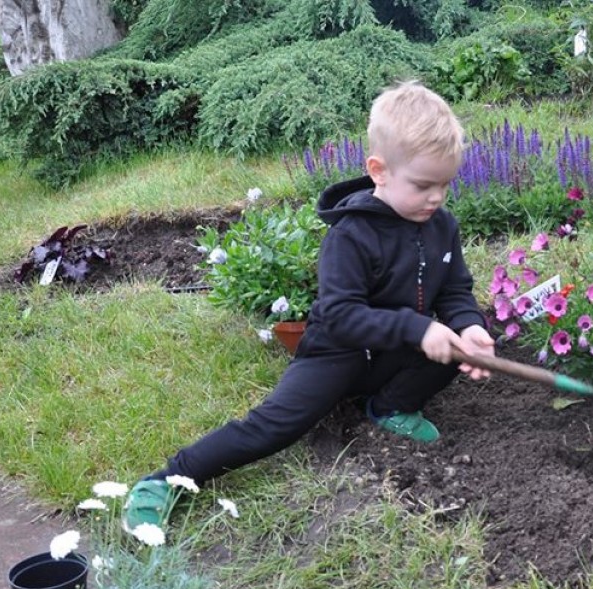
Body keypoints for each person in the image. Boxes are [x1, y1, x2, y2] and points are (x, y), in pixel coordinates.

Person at [122, 81, 495, 536]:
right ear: (378, 170)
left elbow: (454, 291)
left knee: (459, 347)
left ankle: (388, 405)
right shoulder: (352, 235)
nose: (436, 198)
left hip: (394, 351)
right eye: (422, 186)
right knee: (274, 426)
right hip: (336, 354)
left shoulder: (440, 225)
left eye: (444, 185)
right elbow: (340, 315)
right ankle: (168, 480)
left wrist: (468, 325)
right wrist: (418, 329)